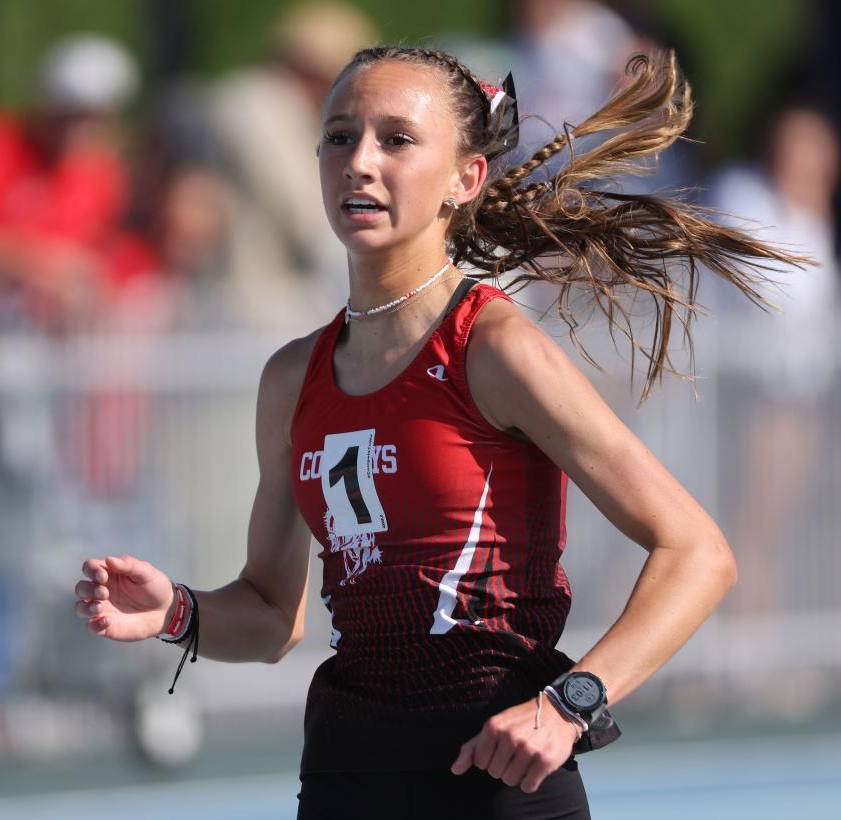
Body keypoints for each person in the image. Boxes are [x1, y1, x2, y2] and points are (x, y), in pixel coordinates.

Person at [73, 46, 806, 818]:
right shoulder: (291, 379)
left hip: (495, 775)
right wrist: (177, 612)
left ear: (465, 178)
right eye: (338, 136)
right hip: (345, 775)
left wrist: (570, 703)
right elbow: (269, 613)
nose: (359, 162)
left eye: (396, 139)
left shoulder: (494, 349)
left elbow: (697, 552)